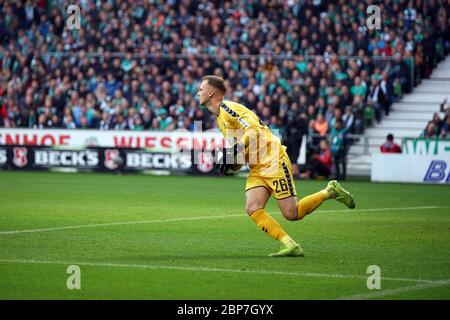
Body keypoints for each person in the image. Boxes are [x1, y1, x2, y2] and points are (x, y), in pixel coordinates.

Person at [197, 75, 355, 257]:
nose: (198, 92)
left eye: (201, 89)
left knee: (292, 213)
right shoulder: (220, 120)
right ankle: (290, 244)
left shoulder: (228, 108)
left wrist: (236, 148)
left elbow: (254, 130)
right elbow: (241, 153)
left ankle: (331, 191)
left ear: (210, 92)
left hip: (272, 159)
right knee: (252, 207)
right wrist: (232, 166)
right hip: (257, 166)